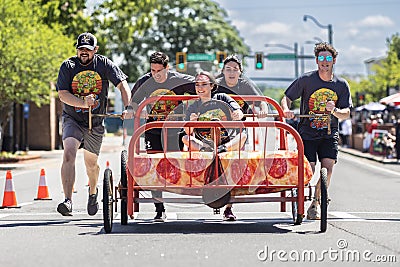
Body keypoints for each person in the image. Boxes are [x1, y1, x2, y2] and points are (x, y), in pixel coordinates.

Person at [56, 32, 132, 216]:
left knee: (91, 165)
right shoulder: (68, 66)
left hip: (95, 120)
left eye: (88, 50)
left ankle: (93, 192)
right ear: (77, 49)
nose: (84, 52)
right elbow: (62, 94)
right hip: (72, 118)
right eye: (81, 49)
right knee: (69, 153)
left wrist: (129, 107)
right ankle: (68, 200)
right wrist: (82, 103)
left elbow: (122, 85)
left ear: (95, 50)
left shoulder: (103, 64)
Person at [280, 42, 352, 220]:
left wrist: (334, 110)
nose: (324, 61)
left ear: (334, 61)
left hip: (329, 133)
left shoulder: (341, 85)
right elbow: (286, 98)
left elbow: (346, 113)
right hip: (307, 133)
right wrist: (286, 109)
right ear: (317, 60)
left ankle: (316, 202)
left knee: (327, 168)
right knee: (309, 170)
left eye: (328, 58)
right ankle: (300, 195)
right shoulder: (306, 80)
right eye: (321, 58)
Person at [131, 51, 195, 222]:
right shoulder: (145, 82)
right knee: (155, 167)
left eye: (159, 71)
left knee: (175, 165)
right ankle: (159, 208)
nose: (155, 75)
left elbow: (202, 88)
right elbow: (134, 101)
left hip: (175, 131)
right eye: (152, 71)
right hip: (153, 130)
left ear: (167, 68)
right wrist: (132, 110)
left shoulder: (179, 80)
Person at [182, 71, 245, 221]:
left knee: (243, 136)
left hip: (225, 141)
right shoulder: (193, 106)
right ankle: (209, 150)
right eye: (197, 85)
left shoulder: (223, 98)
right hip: (204, 142)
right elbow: (187, 131)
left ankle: (228, 208)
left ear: (212, 85)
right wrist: (192, 122)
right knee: (186, 138)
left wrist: (237, 114)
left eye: (204, 84)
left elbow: (238, 111)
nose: (200, 88)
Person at [215, 54, 269, 220]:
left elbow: (262, 101)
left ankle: (229, 207)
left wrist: (263, 109)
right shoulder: (217, 85)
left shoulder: (245, 85)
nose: (231, 72)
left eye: (235, 70)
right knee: (216, 165)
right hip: (217, 129)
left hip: (239, 133)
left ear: (240, 72)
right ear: (223, 71)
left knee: (234, 166)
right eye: (228, 69)